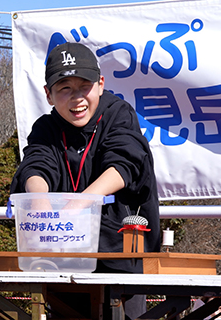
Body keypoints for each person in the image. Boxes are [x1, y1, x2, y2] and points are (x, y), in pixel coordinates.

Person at [10, 42, 160, 319]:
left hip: (119, 259)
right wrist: (41, 208)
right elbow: (35, 166)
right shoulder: (46, 127)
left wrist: (76, 207)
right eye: (64, 88)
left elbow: (124, 164)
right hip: (63, 260)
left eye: (85, 86)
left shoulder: (119, 113)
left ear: (101, 84)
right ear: (49, 94)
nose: (77, 98)